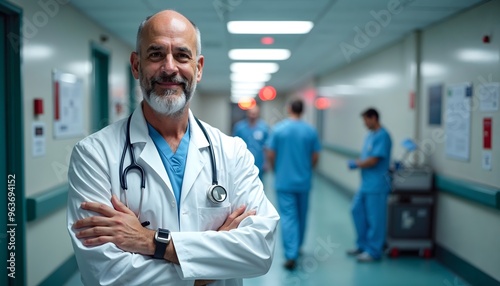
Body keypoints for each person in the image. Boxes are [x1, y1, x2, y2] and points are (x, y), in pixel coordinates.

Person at [66, 10, 279, 286]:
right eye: (155, 54)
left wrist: (151, 242)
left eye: (182, 55)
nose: (169, 68)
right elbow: (105, 275)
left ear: (199, 68)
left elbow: (259, 251)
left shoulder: (232, 153)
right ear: (136, 65)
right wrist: (206, 272)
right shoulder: (93, 155)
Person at [266, 98, 321, 270]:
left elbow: (271, 153)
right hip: (303, 181)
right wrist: (306, 169)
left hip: (284, 180)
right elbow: (315, 156)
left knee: (289, 217)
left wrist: (277, 169)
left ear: (289, 109)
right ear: (303, 111)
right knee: (302, 214)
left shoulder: (279, 130)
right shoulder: (310, 131)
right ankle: (298, 247)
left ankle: (291, 254)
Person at [346, 108, 392, 262]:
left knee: (375, 219)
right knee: (356, 210)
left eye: (366, 120)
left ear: (374, 118)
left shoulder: (383, 136)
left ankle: (374, 251)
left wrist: (357, 164)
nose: (364, 123)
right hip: (366, 184)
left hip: (377, 185)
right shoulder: (370, 136)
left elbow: (374, 160)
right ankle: (362, 245)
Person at [232, 105, 269, 181]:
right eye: (251, 113)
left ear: (258, 114)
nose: (253, 115)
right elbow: (234, 146)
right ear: (247, 114)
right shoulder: (239, 127)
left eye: (255, 113)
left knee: (259, 184)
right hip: (243, 162)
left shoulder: (264, 128)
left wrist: (266, 162)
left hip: (259, 162)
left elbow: (267, 147)